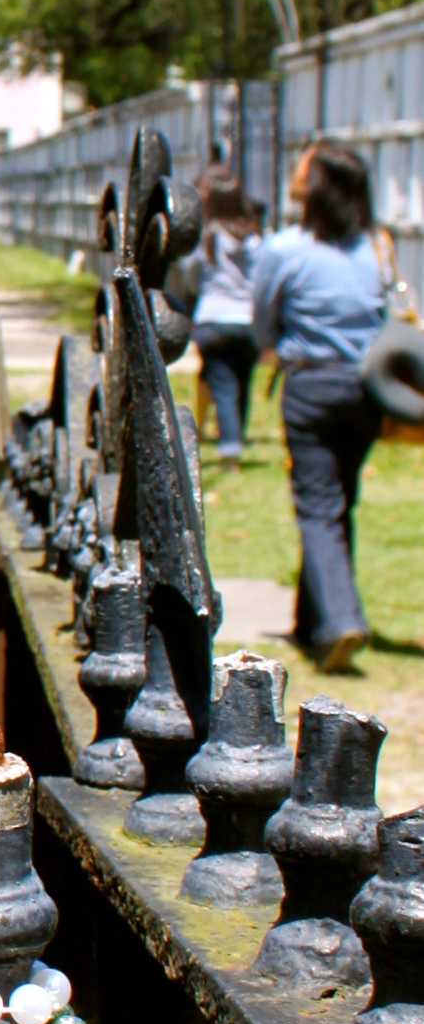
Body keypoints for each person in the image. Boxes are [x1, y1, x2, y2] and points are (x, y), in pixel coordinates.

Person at [251, 141, 388, 673]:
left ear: (319, 186)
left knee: (317, 504)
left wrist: (277, 349)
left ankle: (339, 622)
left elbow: (263, 319)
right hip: (366, 391)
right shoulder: (376, 247)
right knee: (337, 500)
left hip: (309, 385)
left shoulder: (285, 248)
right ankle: (313, 622)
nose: (294, 172)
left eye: (303, 167)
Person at [183, 168, 263, 463]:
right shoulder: (254, 240)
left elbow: (189, 275)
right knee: (243, 383)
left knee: (224, 386)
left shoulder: (206, 238)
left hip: (213, 320)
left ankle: (230, 448)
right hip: (248, 321)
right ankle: (236, 434)